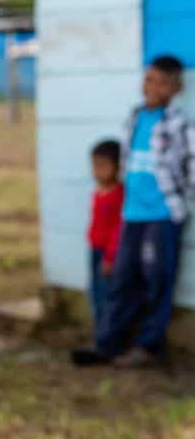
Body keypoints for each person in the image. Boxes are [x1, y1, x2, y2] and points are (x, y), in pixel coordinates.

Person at [73, 55, 193, 369]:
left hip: (162, 215)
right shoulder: (135, 117)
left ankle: (148, 346)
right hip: (132, 213)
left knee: (157, 279)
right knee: (122, 279)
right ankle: (108, 343)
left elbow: (190, 165)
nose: (152, 87)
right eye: (149, 79)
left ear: (175, 88)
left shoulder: (179, 124)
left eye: (161, 82)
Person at [86, 140, 123, 333]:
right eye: (95, 166)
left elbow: (118, 229)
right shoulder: (98, 193)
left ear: (117, 166)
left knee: (106, 293)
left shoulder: (118, 194)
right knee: (94, 292)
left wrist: (110, 257)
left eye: (103, 166)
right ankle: (100, 331)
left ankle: (109, 334)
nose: (98, 171)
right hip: (95, 249)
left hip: (109, 256)